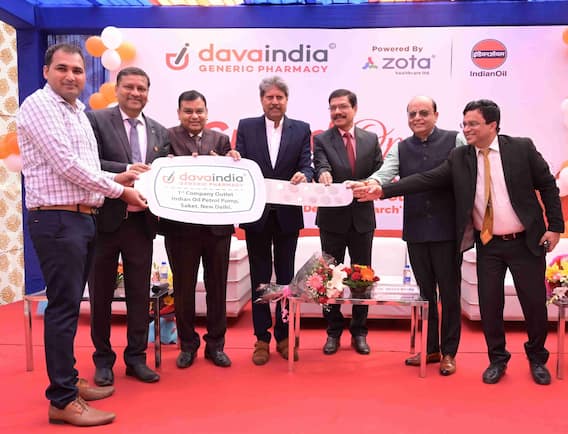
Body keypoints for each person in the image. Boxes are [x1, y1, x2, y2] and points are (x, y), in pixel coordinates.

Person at [353, 99, 563, 385]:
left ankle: (537, 358)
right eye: (464, 124)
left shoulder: (521, 148)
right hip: (488, 244)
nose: (467, 129)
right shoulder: (460, 157)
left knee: (534, 305)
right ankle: (497, 359)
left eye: (473, 124)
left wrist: (555, 227)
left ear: (493, 125)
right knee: (489, 306)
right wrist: (382, 191)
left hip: (525, 241)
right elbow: (425, 179)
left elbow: (548, 185)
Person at [16, 43, 147, 426]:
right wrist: (121, 190)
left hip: (82, 218)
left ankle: (70, 382)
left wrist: (118, 176)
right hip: (58, 221)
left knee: (71, 307)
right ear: (46, 72)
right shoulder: (40, 106)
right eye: (62, 68)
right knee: (62, 310)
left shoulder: (75, 111)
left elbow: (86, 167)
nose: (71, 76)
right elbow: (67, 165)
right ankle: (62, 400)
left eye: (77, 70)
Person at [367, 96, 464, 375]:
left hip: (447, 232)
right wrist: (372, 183)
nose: (417, 118)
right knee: (425, 295)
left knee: (450, 294)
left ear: (436, 114)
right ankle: (431, 348)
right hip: (416, 231)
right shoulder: (401, 148)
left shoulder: (455, 140)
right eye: (412, 114)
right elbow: (385, 173)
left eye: (423, 112)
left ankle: (449, 353)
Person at [87, 67, 170, 386]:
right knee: (101, 296)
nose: (136, 93)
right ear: (117, 89)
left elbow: (166, 174)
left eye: (141, 88)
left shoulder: (160, 131)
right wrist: (126, 169)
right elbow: (88, 163)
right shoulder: (96, 120)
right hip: (104, 222)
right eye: (129, 87)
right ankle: (103, 360)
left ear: (148, 93)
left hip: (141, 225)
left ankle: (136, 358)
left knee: (139, 295)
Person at [236, 76, 313, 365]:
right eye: (269, 97)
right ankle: (261, 338)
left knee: (285, 279)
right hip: (256, 214)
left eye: (280, 97)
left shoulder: (301, 129)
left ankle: (284, 335)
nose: (275, 101)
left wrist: (305, 174)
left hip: (287, 215)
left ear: (286, 100)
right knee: (259, 278)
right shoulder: (246, 126)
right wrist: (233, 158)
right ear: (262, 100)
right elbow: (241, 163)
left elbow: (306, 163)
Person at [161, 90, 240, 369]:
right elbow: (158, 176)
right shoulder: (167, 138)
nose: (194, 116)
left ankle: (216, 345)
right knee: (183, 289)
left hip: (217, 229)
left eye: (199, 111)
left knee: (217, 288)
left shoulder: (220, 140)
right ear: (179, 113)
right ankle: (188, 344)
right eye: (188, 111)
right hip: (180, 230)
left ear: (207, 113)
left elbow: (231, 179)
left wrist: (231, 160)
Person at [313, 89, 383, 356]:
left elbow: (380, 171)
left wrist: (370, 183)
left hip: (363, 219)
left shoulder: (370, 139)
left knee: (362, 278)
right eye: (333, 107)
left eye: (342, 106)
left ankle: (359, 331)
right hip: (332, 219)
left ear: (354, 109)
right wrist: (323, 173)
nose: (337, 112)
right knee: (329, 278)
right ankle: (333, 332)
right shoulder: (322, 139)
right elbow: (320, 164)